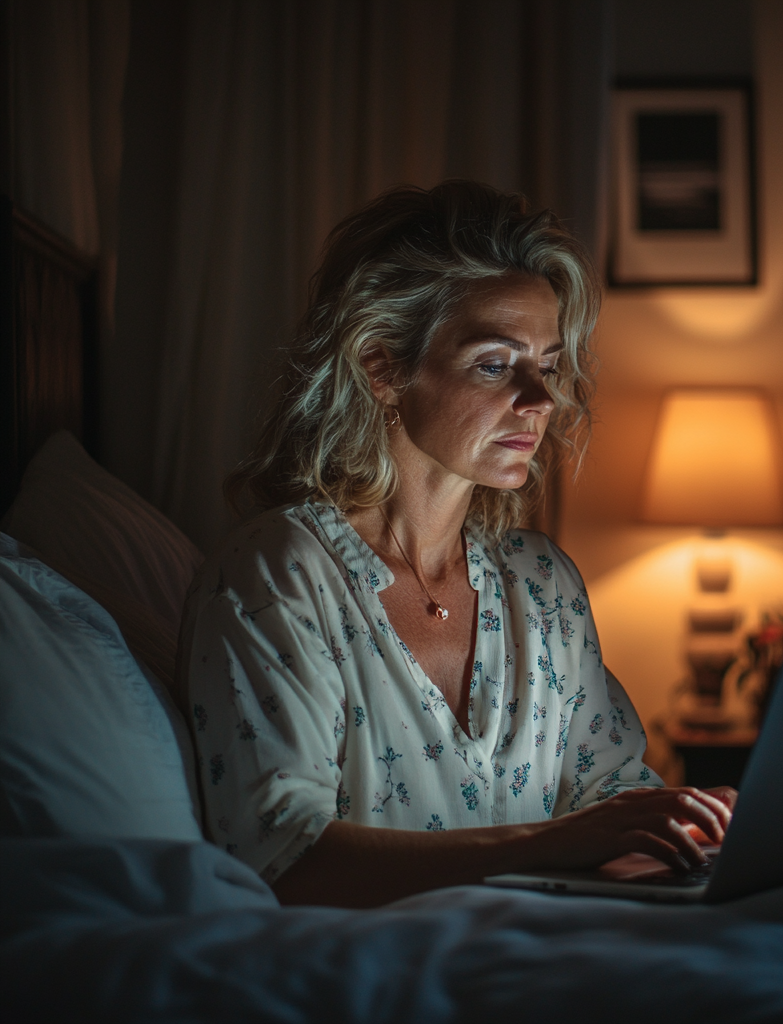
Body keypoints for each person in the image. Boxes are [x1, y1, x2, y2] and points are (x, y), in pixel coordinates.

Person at [180, 181, 735, 908]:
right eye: (495, 364)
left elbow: (613, 788)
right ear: (383, 368)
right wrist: (560, 841)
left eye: (548, 363)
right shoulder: (280, 575)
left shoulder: (543, 583)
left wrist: (690, 827)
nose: (539, 400)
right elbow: (283, 856)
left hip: (552, 956)